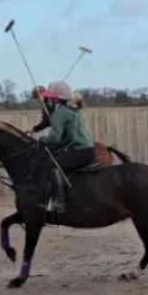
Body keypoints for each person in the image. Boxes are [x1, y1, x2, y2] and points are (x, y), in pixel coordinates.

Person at [36, 80, 97, 213]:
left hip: (80, 151)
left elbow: (56, 138)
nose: (48, 100)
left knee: (51, 164)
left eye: (50, 98)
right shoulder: (72, 110)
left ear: (55, 100)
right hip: (88, 150)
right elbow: (66, 138)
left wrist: (42, 140)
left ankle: (60, 202)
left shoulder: (59, 113)